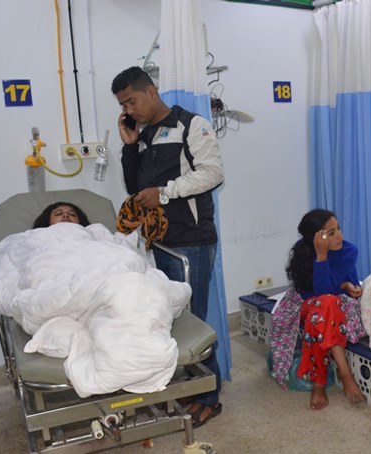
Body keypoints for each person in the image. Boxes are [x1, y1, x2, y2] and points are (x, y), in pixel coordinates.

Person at [112, 66, 225, 427]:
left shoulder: (190, 125)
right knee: (171, 320)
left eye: (131, 101)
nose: (129, 110)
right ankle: (192, 385)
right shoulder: (144, 135)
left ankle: (209, 397)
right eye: (123, 105)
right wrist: (130, 146)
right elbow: (136, 189)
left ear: (151, 91)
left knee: (194, 321)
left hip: (191, 241)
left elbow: (212, 173)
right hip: (159, 242)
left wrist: (164, 193)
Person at [274, 209, 366, 410]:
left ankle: (319, 383)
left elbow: (328, 292)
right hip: (309, 303)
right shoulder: (303, 251)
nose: (339, 236)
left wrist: (345, 286)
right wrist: (322, 256)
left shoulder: (349, 251)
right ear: (315, 238)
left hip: (334, 307)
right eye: (331, 233)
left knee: (322, 312)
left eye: (338, 229)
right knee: (323, 307)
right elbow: (312, 293)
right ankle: (345, 374)